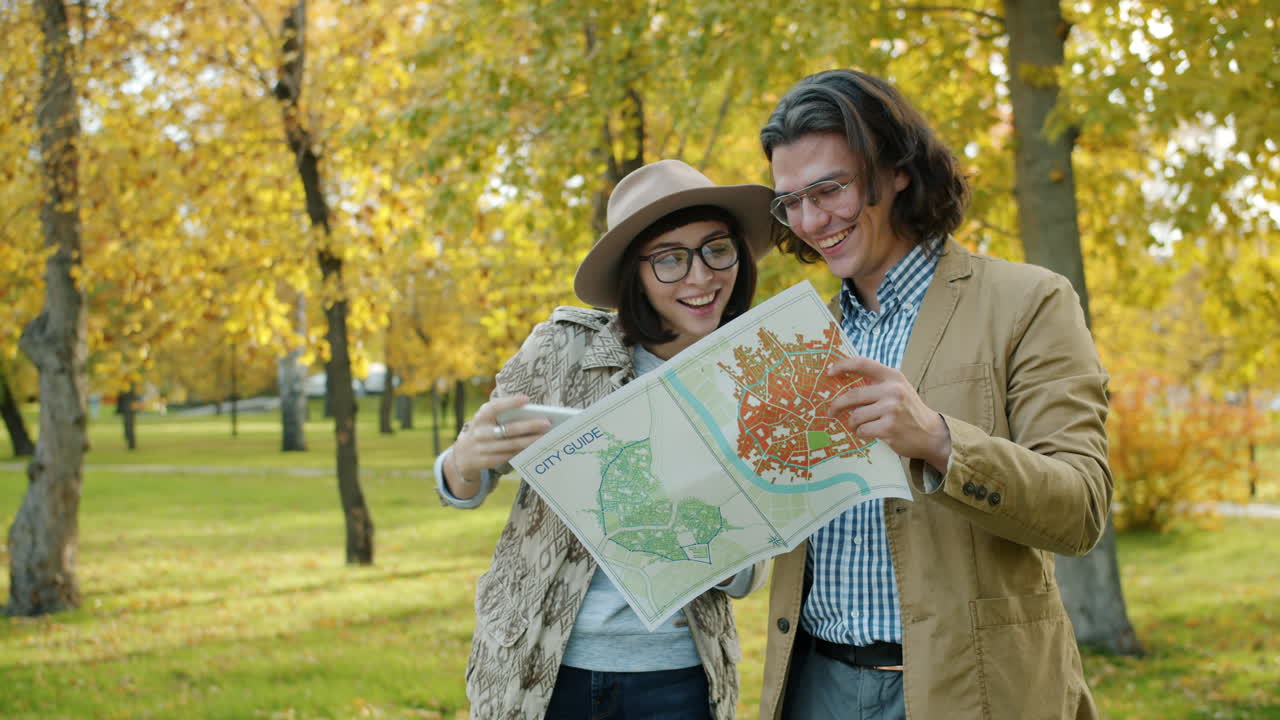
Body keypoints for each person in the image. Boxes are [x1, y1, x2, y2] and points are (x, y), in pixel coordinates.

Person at [755, 69, 1112, 720]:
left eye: (829, 189)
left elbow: (1081, 508)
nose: (811, 220)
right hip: (813, 688)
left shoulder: (1029, 302)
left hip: (971, 690)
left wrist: (940, 441)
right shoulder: (791, 338)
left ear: (896, 170)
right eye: (791, 201)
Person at [434, 159, 774, 720]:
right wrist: (462, 461)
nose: (701, 277)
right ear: (633, 274)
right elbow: (466, 475)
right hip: (543, 668)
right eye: (670, 259)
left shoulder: (753, 380)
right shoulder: (562, 351)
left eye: (717, 249)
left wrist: (713, 517)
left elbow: (748, 575)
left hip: (677, 677)